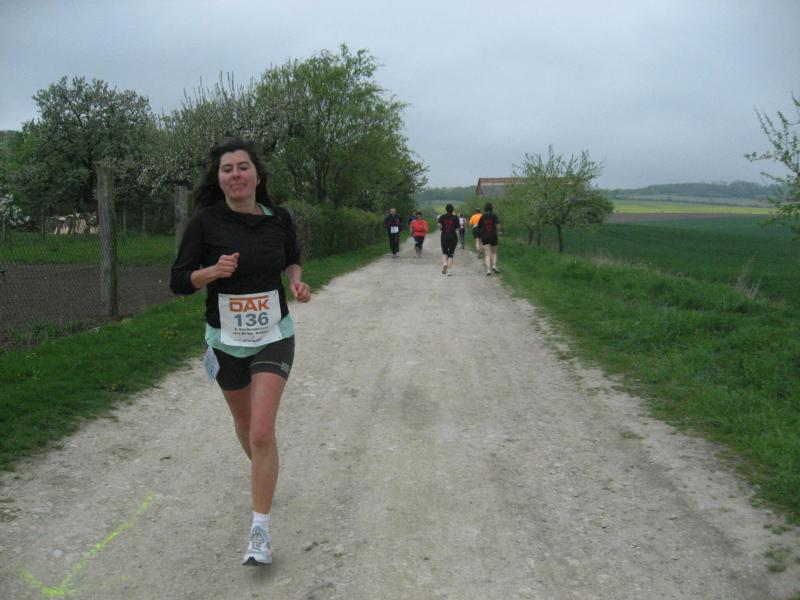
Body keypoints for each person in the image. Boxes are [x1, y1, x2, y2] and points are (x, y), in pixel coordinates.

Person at [170, 137, 311, 566]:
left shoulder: (278, 218)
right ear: (219, 179)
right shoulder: (204, 224)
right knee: (245, 425)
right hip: (225, 341)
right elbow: (179, 281)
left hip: (273, 335)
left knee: (262, 431)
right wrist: (212, 271)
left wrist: (295, 281)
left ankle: (260, 530)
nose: (235, 175)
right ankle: (264, 472)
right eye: (227, 169)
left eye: (243, 167)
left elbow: (292, 258)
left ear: (257, 175)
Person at [478, 202, 501, 275]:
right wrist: (498, 232)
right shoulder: (494, 216)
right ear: (492, 209)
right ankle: (494, 265)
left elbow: (479, 227)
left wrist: (481, 234)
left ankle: (488, 270)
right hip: (493, 236)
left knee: (487, 254)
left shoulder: (482, 217)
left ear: (485, 209)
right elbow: (498, 225)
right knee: (494, 252)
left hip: (485, 236)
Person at [438, 203, 460, 276]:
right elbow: (458, 229)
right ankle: (449, 271)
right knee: (451, 254)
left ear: (446, 209)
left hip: (444, 236)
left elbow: (439, 225)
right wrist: (457, 237)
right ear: (452, 210)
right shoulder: (456, 218)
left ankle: (445, 263)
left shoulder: (442, 217)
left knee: (444, 252)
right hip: (453, 237)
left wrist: (441, 228)